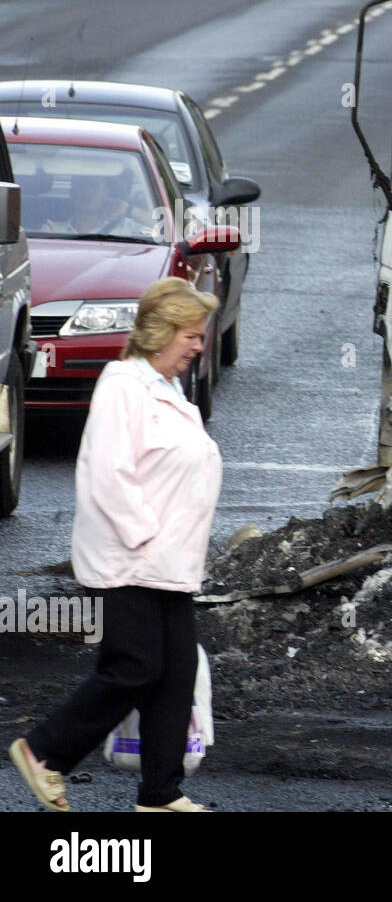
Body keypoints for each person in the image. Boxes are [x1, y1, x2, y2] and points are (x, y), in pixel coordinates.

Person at [8, 277, 222, 812]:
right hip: (130, 558)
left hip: (170, 561)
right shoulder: (123, 383)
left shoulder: (171, 389)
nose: (198, 345)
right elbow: (107, 471)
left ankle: (160, 793)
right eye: (191, 335)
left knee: (176, 676)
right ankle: (44, 753)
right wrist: (145, 534)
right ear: (160, 332)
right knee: (134, 668)